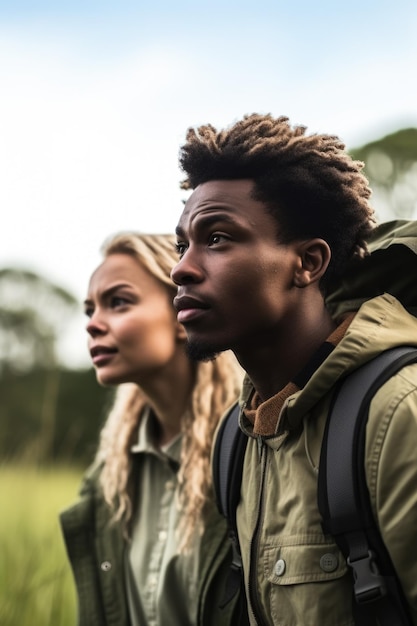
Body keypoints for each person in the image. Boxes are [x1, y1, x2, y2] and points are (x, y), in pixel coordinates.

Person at [170, 113, 417, 625]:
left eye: (217, 239)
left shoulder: (399, 415)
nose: (182, 268)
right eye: (183, 244)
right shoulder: (235, 441)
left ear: (308, 263)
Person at [59, 232, 244, 626]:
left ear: (181, 310)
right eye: (89, 310)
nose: (93, 325)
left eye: (118, 302)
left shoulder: (250, 454)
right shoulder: (108, 480)